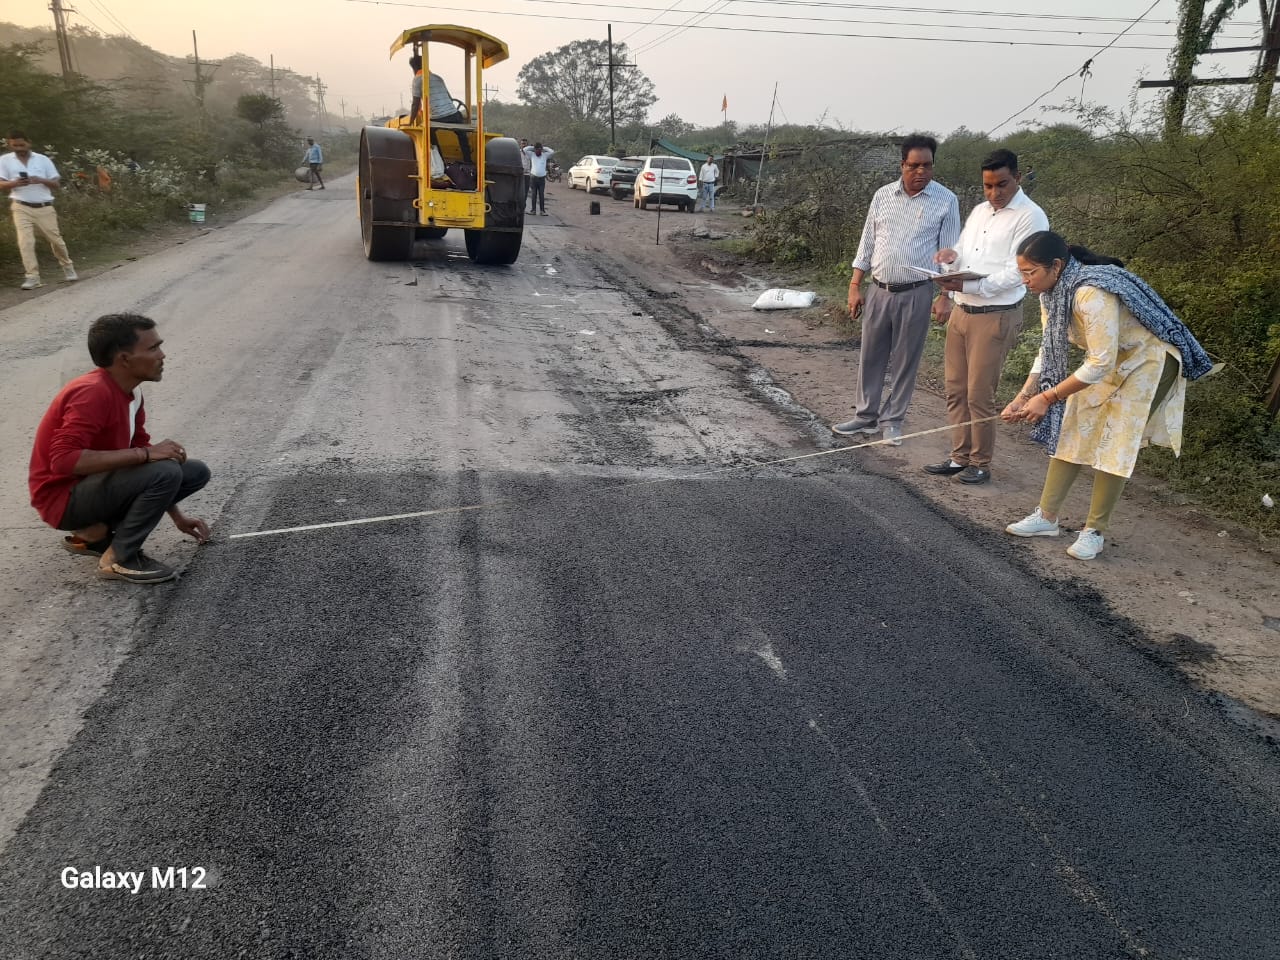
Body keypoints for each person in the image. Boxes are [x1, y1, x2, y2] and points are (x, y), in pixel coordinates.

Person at [1001, 231, 1213, 560]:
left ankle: (1094, 531)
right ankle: (1046, 517)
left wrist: (1048, 397)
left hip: (1148, 360)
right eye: (1022, 273)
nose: (1025, 280)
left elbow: (1100, 362)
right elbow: (1048, 347)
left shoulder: (1090, 293)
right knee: (1074, 425)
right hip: (1108, 359)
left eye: (1030, 272)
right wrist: (1025, 393)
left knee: (1116, 438)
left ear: (1055, 266)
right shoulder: (1050, 293)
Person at [29, 313, 212, 584]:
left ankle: (96, 534)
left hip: (93, 488)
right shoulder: (92, 392)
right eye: (152, 348)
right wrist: (147, 454)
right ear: (124, 359)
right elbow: (63, 461)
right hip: (62, 499)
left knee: (193, 471)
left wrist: (177, 516)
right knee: (165, 469)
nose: (162, 355)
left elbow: (145, 457)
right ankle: (118, 558)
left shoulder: (132, 392)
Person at [925, 148, 1049, 485]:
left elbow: (1018, 272)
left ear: (1018, 178)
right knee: (955, 388)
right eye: (988, 186)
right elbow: (963, 253)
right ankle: (958, 456)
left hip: (995, 314)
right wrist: (950, 262)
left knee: (979, 392)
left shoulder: (1030, 216)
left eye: (1002, 185)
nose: (995, 194)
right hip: (963, 310)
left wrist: (974, 287)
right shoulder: (980, 211)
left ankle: (980, 461)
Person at [832, 135, 960, 445]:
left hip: (916, 293)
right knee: (870, 356)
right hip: (878, 290)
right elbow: (868, 243)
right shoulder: (882, 196)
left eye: (927, 166)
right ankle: (866, 417)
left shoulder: (946, 200)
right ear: (902, 165)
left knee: (905, 360)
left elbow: (950, 253)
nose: (921, 172)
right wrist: (854, 285)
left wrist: (946, 296)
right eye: (914, 166)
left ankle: (893, 421)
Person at [0, 130, 77, 291]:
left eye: (22, 144)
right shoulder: (5, 161)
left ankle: (67, 265)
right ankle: (32, 277)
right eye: (15, 145)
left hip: (44, 206)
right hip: (20, 205)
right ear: (10, 144)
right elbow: (1, 183)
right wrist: (15, 183)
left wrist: (40, 179)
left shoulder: (43, 160)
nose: (19, 148)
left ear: (29, 143)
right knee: (25, 242)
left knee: (55, 240)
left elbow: (56, 184)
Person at [410, 55, 472, 165]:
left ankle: (441, 162)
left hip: (438, 118)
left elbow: (415, 104)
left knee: (429, 133)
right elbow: (449, 98)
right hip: (454, 114)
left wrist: (410, 123)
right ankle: (468, 161)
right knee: (462, 134)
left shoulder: (417, 80)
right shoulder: (438, 78)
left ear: (414, 68)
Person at [524, 142, 554, 216]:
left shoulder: (545, 155)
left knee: (541, 195)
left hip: (542, 178)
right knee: (534, 194)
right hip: (533, 178)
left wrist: (543, 148)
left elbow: (552, 152)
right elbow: (525, 149)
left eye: (539, 150)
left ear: (541, 150)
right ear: (535, 150)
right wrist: (533, 148)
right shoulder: (532, 155)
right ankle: (533, 210)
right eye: (537, 150)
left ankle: (542, 211)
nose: (538, 151)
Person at [518, 137, 532, 208]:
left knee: (525, 191)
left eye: (525, 144)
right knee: (519, 191)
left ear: (527, 145)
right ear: (520, 145)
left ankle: (523, 205)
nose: (523, 145)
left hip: (527, 175)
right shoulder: (518, 153)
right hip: (520, 175)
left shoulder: (530, 154)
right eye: (522, 144)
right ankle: (519, 205)